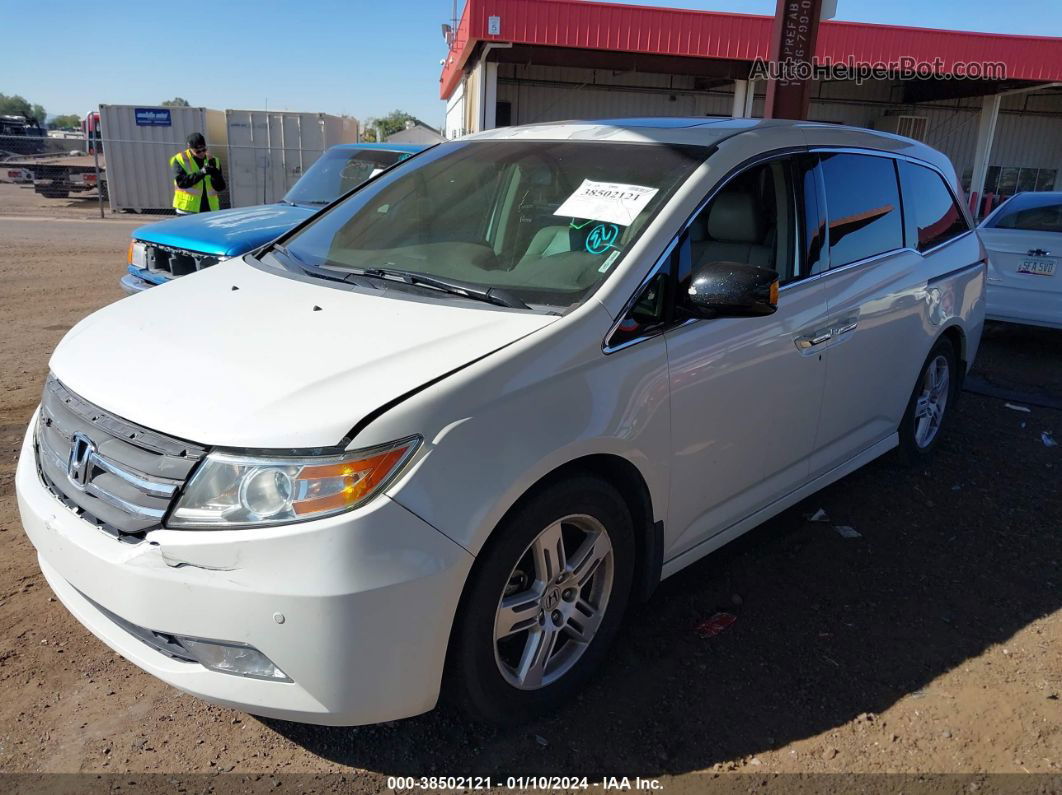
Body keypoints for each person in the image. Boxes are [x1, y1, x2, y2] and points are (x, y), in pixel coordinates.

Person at [170, 132, 225, 214]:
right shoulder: (179, 159)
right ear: (190, 148)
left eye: (204, 150)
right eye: (198, 151)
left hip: (210, 210)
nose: (202, 153)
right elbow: (182, 183)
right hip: (187, 210)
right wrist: (202, 172)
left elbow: (220, 187)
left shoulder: (214, 160)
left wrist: (214, 173)